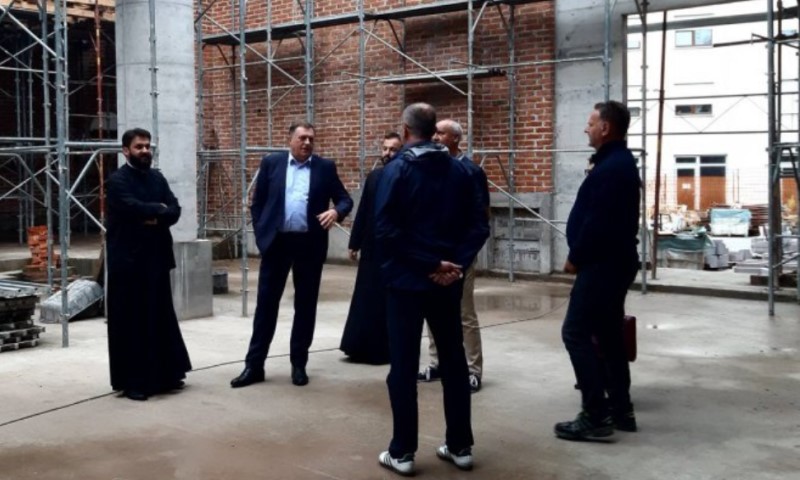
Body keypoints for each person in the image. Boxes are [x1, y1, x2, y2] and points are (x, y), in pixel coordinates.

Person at [374, 103, 489, 476]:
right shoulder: (463, 172)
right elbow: (479, 225)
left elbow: (385, 230)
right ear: (433, 130)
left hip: (407, 282)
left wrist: (430, 265)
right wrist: (453, 265)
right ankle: (460, 446)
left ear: (406, 131)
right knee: (454, 361)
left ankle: (402, 452)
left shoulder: (397, 171)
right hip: (446, 283)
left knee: (403, 366)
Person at [230, 121, 353, 388]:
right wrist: (263, 235)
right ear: (290, 139)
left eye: (311, 139)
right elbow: (257, 203)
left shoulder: (324, 167)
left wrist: (336, 211)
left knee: (305, 306)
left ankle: (299, 364)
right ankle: (254, 365)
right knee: (266, 306)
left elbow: (345, 199)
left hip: (309, 246)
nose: (307, 143)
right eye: (302, 138)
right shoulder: (272, 163)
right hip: (277, 244)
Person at [554, 101, 641, 441]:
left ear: (605, 128)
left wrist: (576, 257)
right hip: (613, 263)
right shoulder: (615, 162)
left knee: (574, 332)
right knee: (608, 335)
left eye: (590, 123)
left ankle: (595, 413)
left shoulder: (613, 168)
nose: (585, 128)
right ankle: (620, 409)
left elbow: (599, 222)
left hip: (603, 265)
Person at [106, 127, 191, 401]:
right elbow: (131, 207)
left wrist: (155, 214)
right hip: (128, 262)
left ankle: (166, 375)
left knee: (159, 317)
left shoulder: (157, 177)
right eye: (139, 146)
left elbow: (175, 209)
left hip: (156, 258)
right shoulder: (117, 181)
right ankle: (133, 382)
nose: (145, 151)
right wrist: (158, 211)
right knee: (132, 322)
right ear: (126, 151)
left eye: (147, 146)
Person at [418, 119, 490, 393]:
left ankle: (472, 369)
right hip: (433, 256)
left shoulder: (471, 171)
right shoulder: (430, 168)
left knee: (464, 313)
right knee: (431, 310)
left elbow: (481, 219)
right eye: (434, 132)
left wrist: (462, 258)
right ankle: (437, 362)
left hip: (460, 256)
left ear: (456, 139)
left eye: (441, 133)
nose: (435, 137)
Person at [339, 132, 403, 364]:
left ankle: (383, 349)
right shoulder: (374, 176)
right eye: (385, 149)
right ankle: (358, 346)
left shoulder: (405, 176)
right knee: (366, 296)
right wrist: (354, 242)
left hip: (394, 248)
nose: (387, 153)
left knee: (386, 299)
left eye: (393, 149)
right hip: (371, 246)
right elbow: (364, 209)